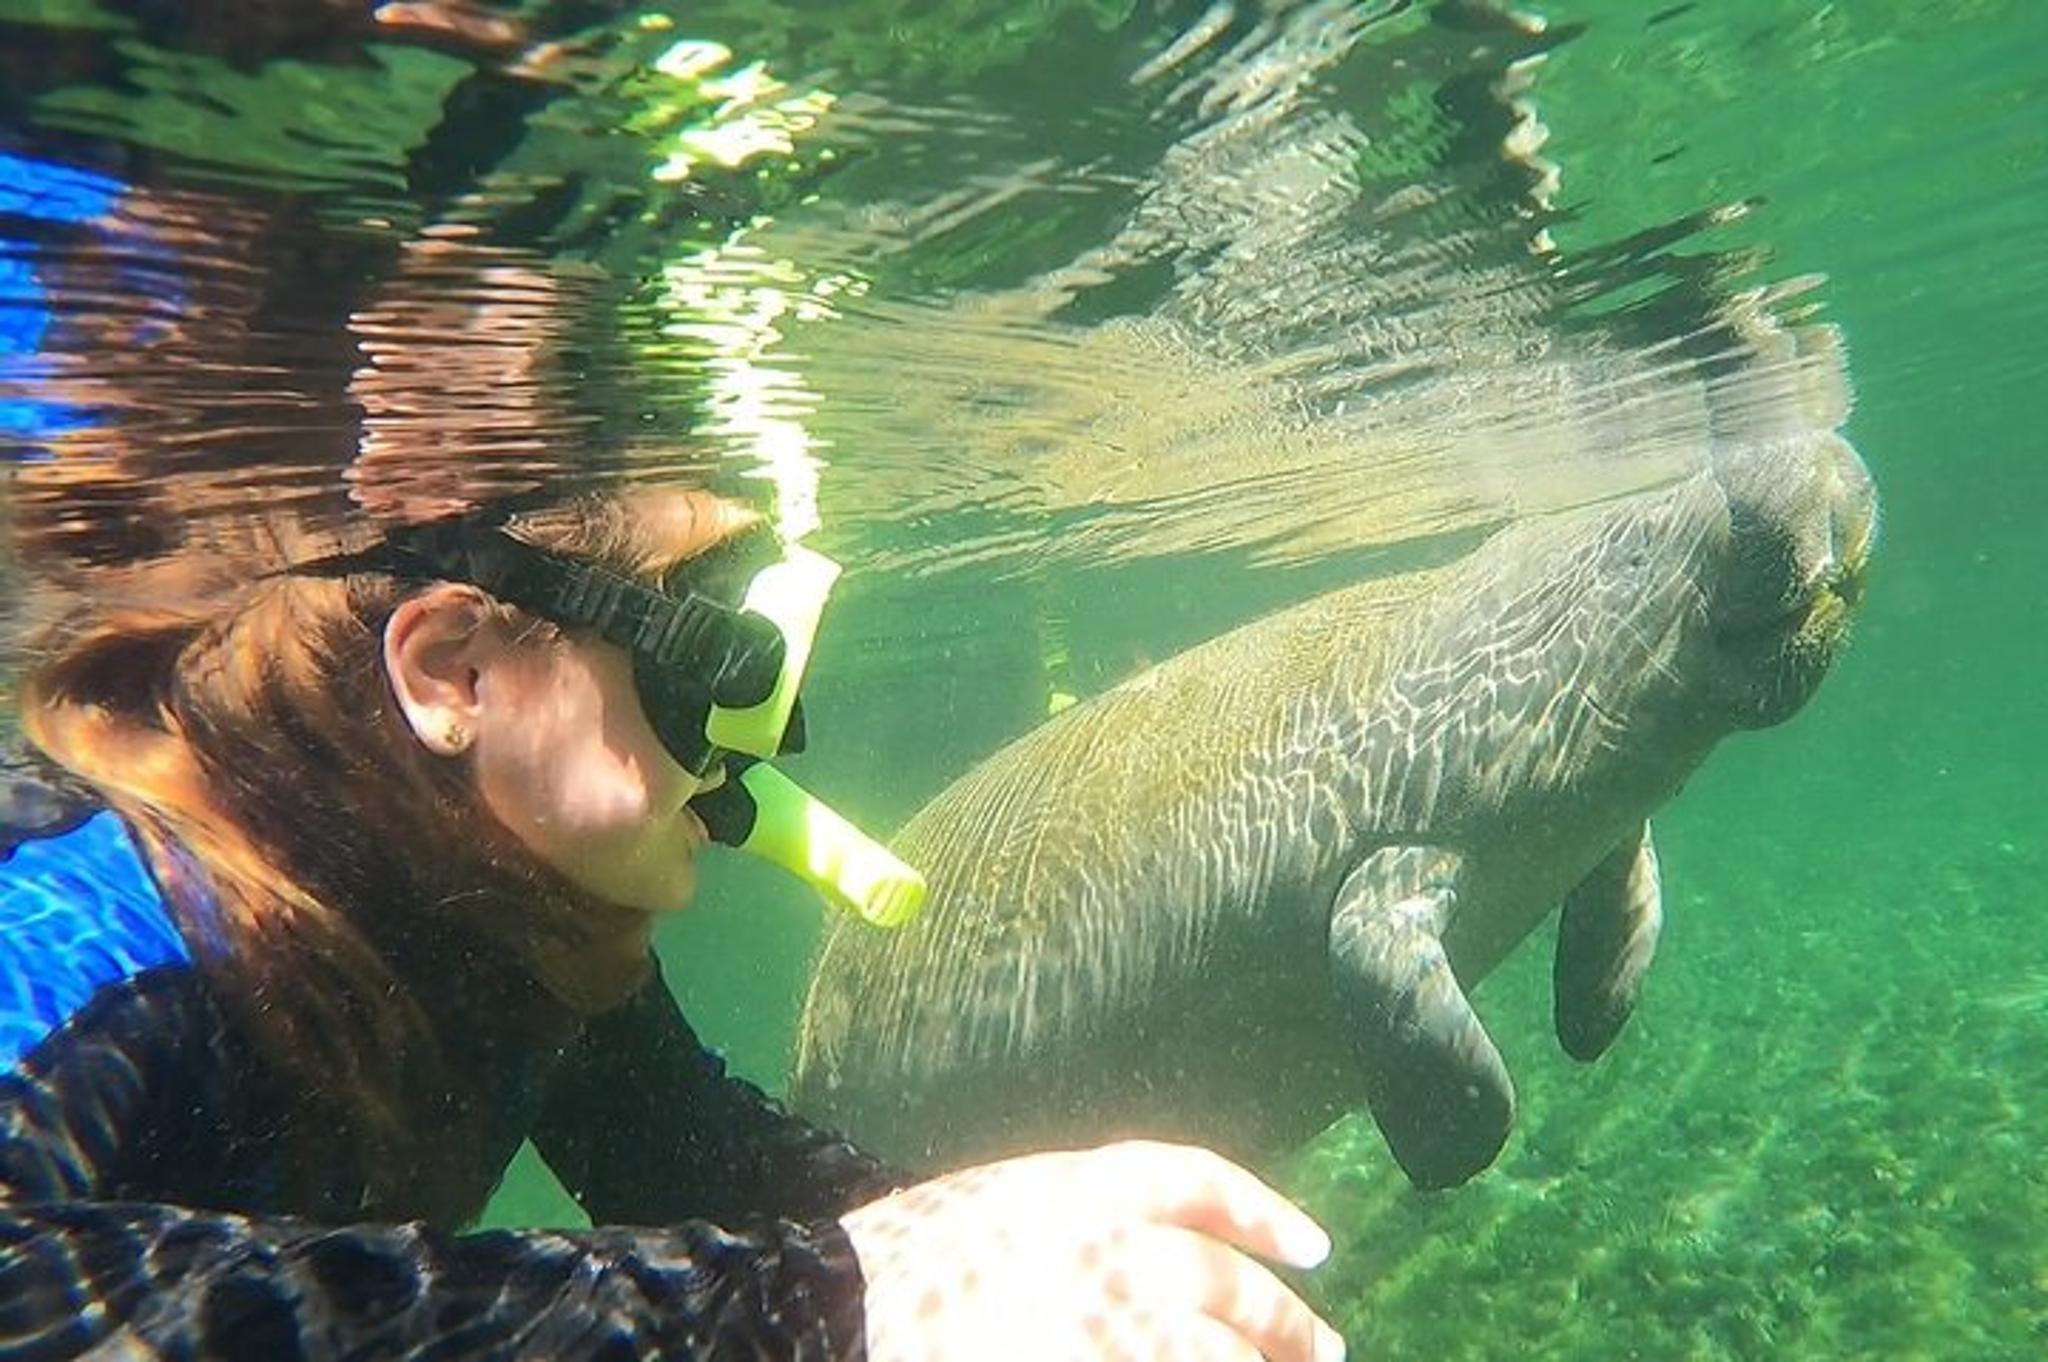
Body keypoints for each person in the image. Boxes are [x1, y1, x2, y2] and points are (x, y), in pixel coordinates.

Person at [0, 482, 1348, 1360]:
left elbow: (679, 1143)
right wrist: (820, 1299)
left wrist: (1008, 1262)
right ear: (453, 668)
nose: (743, 760)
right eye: (711, 670)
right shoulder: (82, 908)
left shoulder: (481, 901)